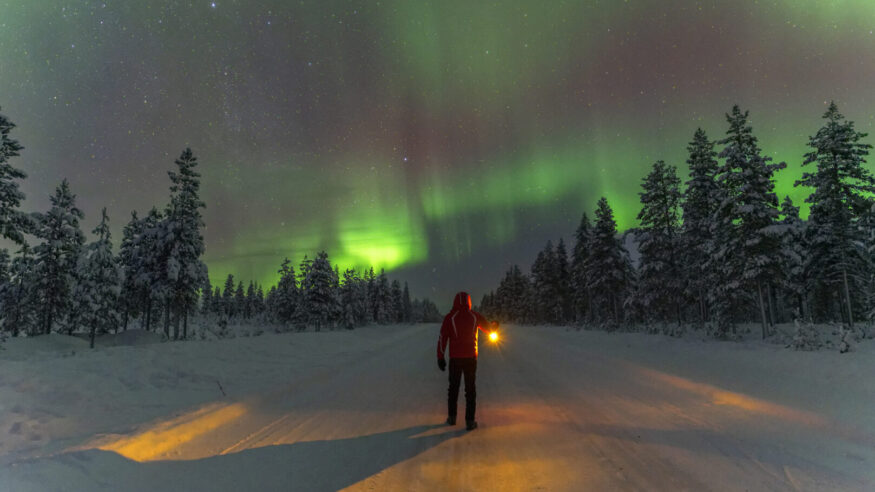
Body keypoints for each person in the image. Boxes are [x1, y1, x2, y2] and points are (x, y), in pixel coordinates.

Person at [436, 291, 492, 431]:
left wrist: (440, 357)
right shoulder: (474, 316)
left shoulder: (450, 318)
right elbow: (488, 328)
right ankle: (470, 421)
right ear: (469, 301)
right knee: (470, 390)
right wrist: (494, 327)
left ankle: (452, 417)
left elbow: (443, 338)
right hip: (470, 359)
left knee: (453, 389)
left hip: (455, 359)